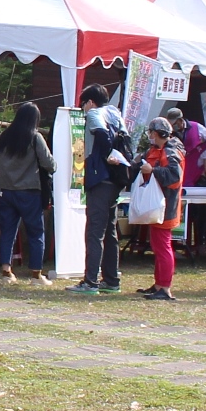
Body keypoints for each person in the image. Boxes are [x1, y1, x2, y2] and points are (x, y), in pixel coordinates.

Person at [72, 94, 134, 294]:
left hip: (100, 179)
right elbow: (127, 141)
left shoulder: (94, 114)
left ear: (90, 102)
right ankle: (111, 280)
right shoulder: (116, 114)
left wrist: (107, 155)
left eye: (83, 105)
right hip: (115, 180)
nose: (84, 109)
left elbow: (100, 132)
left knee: (95, 231)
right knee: (110, 231)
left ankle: (90, 281)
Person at [0, 103, 56, 283]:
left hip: (6, 191)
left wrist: (1, 166)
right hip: (29, 192)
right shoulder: (35, 137)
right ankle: (36, 274)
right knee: (36, 232)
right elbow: (49, 164)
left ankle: (6, 271)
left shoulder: (5, 135)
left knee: (7, 231)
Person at [135, 118, 184, 300]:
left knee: (162, 247)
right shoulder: (159, 149)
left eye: (150, 132)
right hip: (159, 204)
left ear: (155, 133)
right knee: (158, 246)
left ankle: (164, 287)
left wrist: (152, 170)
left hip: (166, 206)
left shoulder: (171, 152)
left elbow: (174, 177)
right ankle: (159, 285)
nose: (149, 135)